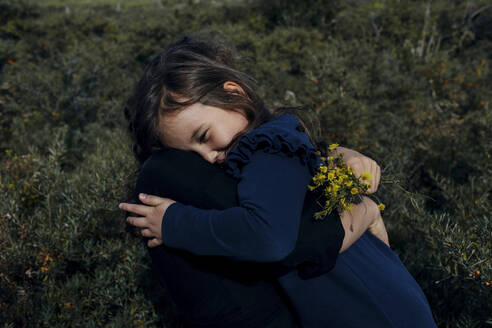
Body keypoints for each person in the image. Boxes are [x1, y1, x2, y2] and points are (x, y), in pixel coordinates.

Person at [121, 34, 437, 327]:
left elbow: (268, 236)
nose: (207, 156)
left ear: (232, 92)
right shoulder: (270, 149)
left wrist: (175, 223)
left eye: (203, 136)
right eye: (191, 152)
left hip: (373, 310)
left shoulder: (265, 148)